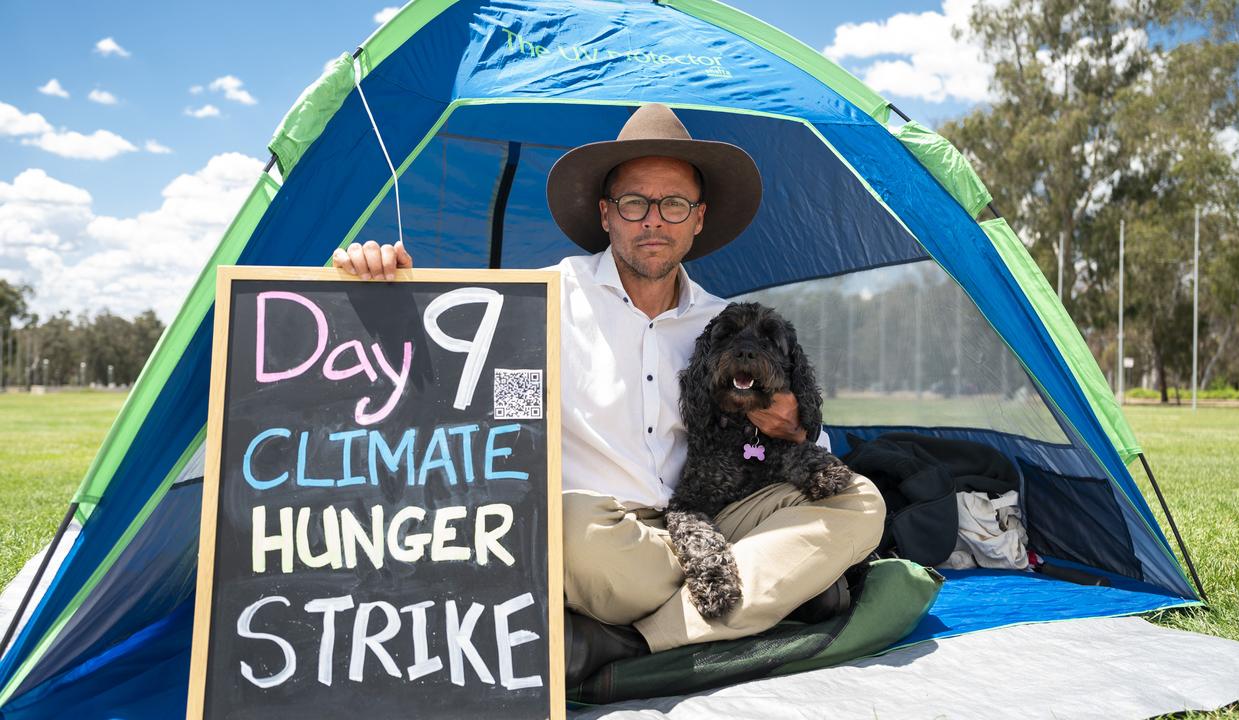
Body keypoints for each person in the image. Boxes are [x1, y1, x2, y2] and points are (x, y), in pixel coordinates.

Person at [333, 103, 885, 686]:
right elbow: (464, 401)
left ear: (698, 219)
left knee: (860, 501)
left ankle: (632, 640)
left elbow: (808, 446)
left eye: (674, 204)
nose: (654, 220)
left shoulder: (728, 325)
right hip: (610, 539)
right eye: (634, 203)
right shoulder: (542, 301)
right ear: (606, 215)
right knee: (562, 522)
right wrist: (384, 302)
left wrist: (793, 426)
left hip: (714, 521)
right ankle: (769, 590)